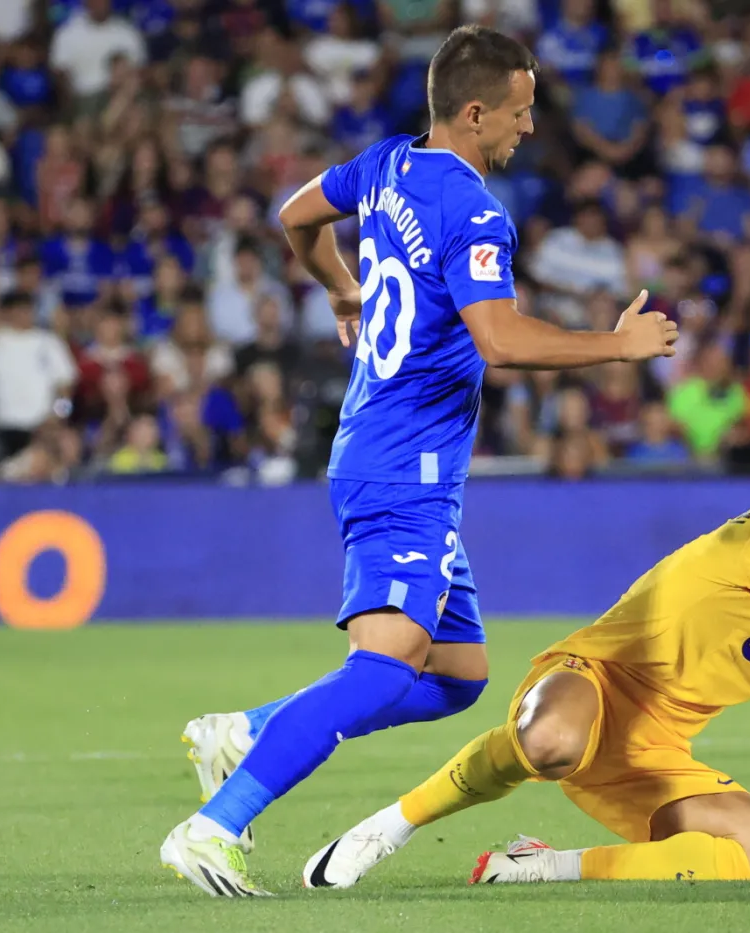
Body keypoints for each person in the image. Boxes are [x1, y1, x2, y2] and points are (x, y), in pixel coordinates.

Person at [160, 25, 679, 897]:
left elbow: (295, 216)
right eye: (519, 113)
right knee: (386, 664)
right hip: (405, 468)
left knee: (458, 677)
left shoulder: (390, 164)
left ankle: (248, 731)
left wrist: (338, 284)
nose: (527, 128)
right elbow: (500, 337)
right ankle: (214, 826)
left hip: (383, 453)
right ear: (474, 112)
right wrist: (617, 347)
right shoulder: (475, 211)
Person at [299, 417, 750, 889]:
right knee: (548, 740)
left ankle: (540, 866)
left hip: (652, 750)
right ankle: (386, 828)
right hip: (593, 680)